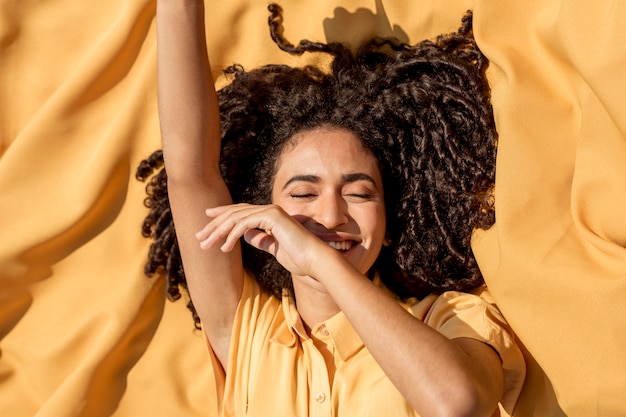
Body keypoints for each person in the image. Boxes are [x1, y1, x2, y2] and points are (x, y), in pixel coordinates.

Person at [136, 1, 525, 416]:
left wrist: (319, 261)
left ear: (390, 221)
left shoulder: (454, 318)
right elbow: (190, 172)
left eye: (358, 194)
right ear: (263, 213)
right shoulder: (245, 329)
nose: (331, 216)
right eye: (303, 194)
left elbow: (456, 405)